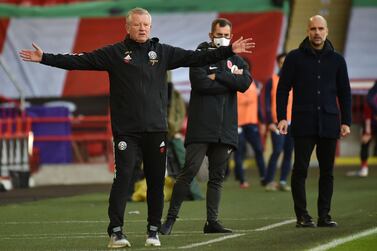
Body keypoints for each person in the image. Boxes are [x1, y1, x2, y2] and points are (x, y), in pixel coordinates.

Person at [19, 7, 255, 248]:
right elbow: (79, 60)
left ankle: (153, 231)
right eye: (138, 24)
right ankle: (116, 232)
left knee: (155, 182)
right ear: (128, 27)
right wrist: (45, 57)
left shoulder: (162, 52)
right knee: (123, 179)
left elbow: (196, 58)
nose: (142, 28)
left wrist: (228, 50)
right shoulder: (114, 53)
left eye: (146, 25)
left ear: (150, 27)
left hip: (156, 130)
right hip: (127, 131)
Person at [160, 18, 252, 235]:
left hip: (226, 129)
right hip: (201, 127)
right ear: (211, 35)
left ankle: (212, 222)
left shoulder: (237, 59)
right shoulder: (199, 57)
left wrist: (218, 75)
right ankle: (170, 220)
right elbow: (201, 84)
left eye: (226, 35)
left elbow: (245, 84)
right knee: (188, 172)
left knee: (217, 177)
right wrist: (231, 80)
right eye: (219, 35)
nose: (223, 39)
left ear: (231, 35)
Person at [277, 15, 351, 228]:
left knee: (327, 172)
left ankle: (324, 216)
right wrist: (282, 117)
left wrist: (346, 120)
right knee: (300, 170)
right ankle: (302, 216)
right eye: (313, 29)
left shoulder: (338, 60)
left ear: (326, 31)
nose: (316, 33)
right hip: (302, 122)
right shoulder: (294, 58)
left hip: (329, 122)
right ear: (308, 31)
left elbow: (345, 92)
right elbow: (282, 89)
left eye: (320, 29)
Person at [263, 52, 294, 191]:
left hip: (293, 123)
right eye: (282, 63)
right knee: (277, 150)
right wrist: (269, 121)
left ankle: (282, 181)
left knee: (289, 152)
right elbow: (267, 103)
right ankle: (269, 181)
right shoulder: (272, 80)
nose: (284, 65)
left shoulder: (296, 81)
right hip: (277, 123)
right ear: (278, 64)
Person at [234, 78, 266, 188]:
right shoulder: (233, 83)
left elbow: (258, 105)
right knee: (239, 152)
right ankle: (242, 180)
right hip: (237, 123)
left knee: (258, 150)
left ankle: (264, 177)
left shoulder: (256, 83)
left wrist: (262, 121)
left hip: (252, 122)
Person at [347, 80, 377, 177]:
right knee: (365, 142)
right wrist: (368, 132)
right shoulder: (371, 97)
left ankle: (364, 169)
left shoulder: (370, 96)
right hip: (371, 123)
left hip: (371, 123)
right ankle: (364, 168)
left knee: (365, 143)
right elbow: (367, 114)